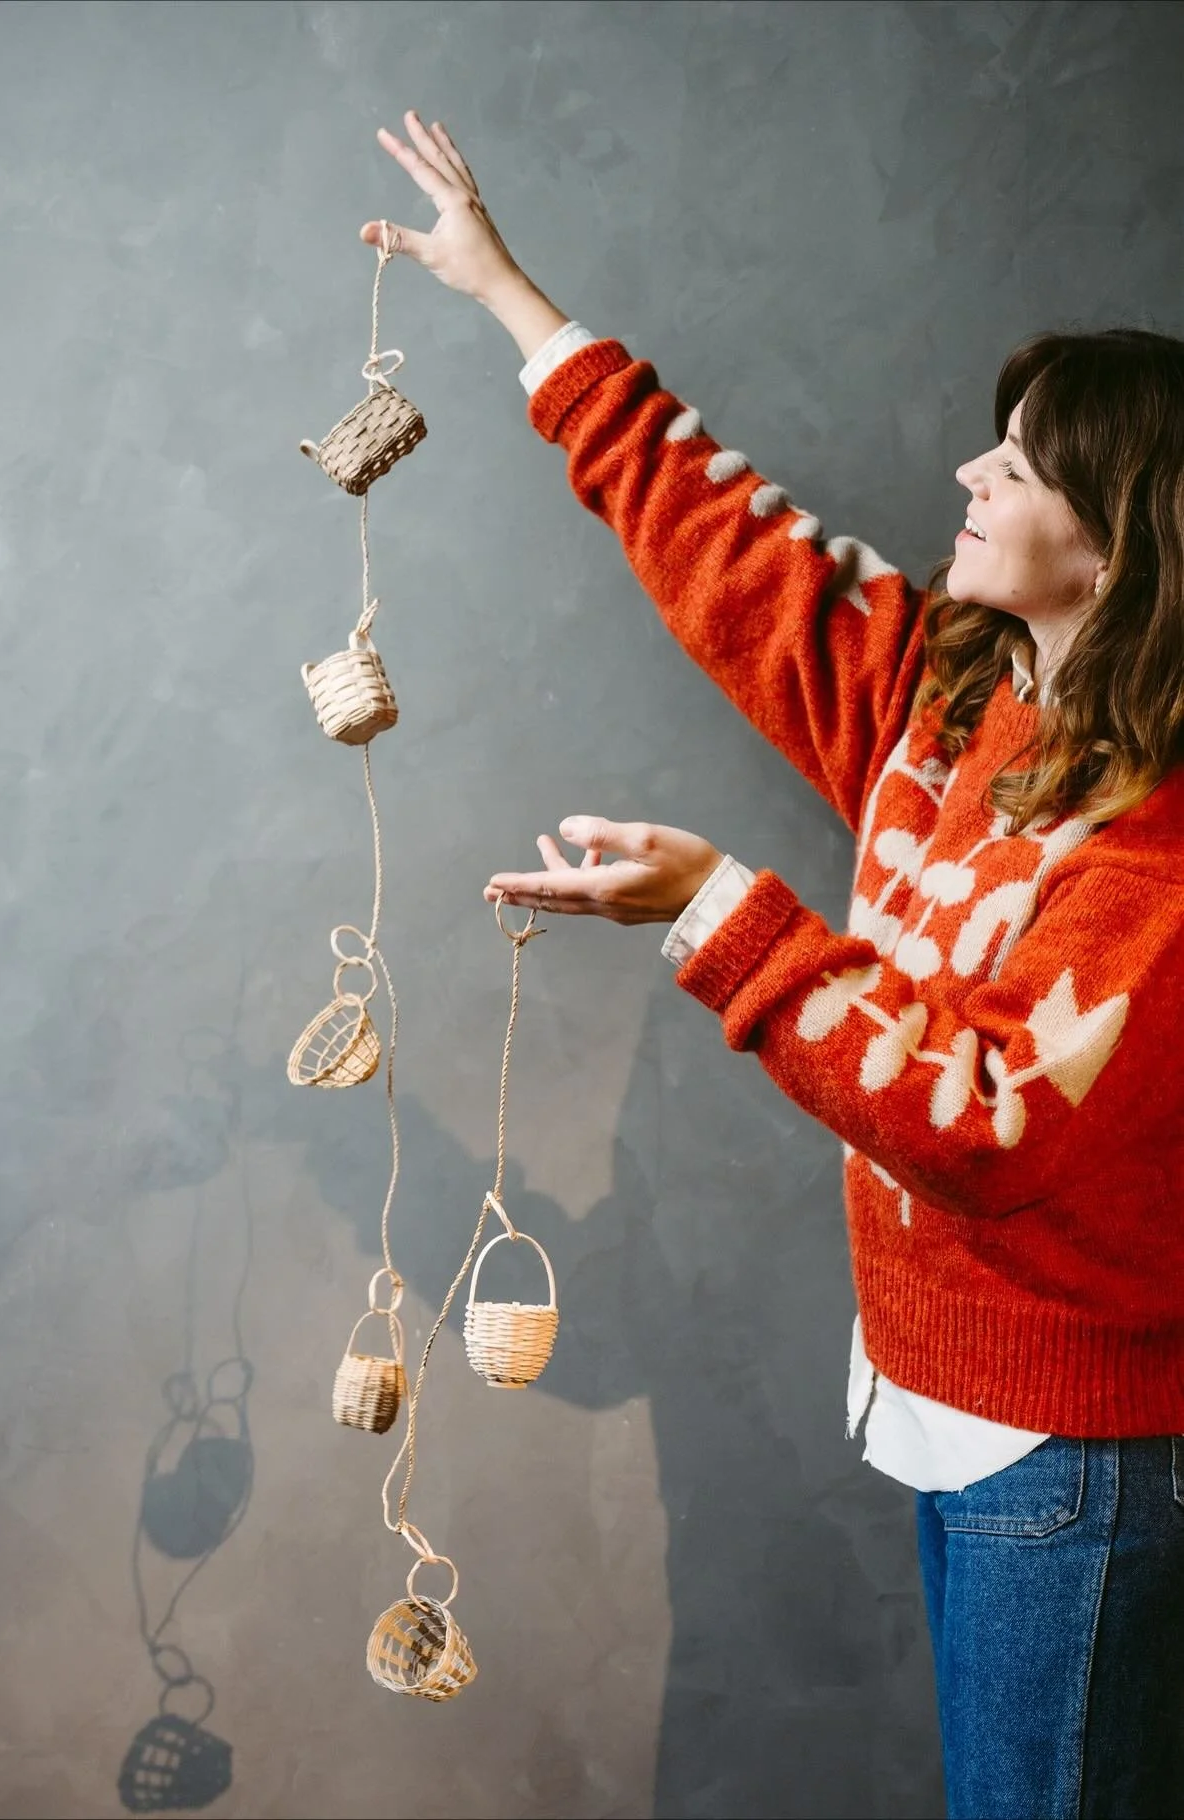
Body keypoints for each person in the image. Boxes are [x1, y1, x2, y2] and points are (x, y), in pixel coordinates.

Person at [362, 111, 1184, 1820]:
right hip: (958, 1411)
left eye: (1020, 470)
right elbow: (724, 544)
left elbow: (989, 1125)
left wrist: (722, 907)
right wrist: (506, 293)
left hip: (1083, 1458)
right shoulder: (954, 698)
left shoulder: (1158, 855)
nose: (970, 477)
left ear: (1120, 543)